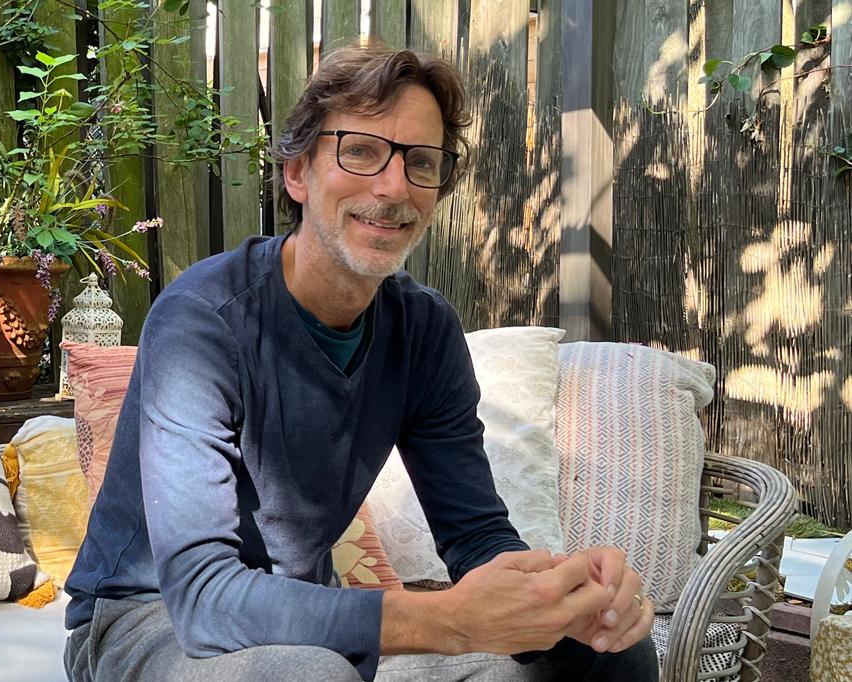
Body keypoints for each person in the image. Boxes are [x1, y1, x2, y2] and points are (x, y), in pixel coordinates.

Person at [61, 44, 660, 682]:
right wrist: (448, 621)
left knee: (607, 651)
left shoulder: (423, 330)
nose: (394, 187)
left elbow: (477, 535)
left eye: (420, 162)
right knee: (306, 675)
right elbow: (205, 600)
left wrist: (558, 592)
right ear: (298, 173)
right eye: (361, 151)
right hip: (147, 619)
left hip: (307, 619)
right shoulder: (203, 321)